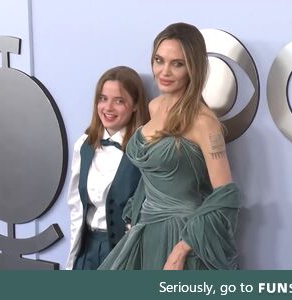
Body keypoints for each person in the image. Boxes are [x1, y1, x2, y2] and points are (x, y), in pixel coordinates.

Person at [99, 23, 240, 270]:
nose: (164, 71)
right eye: (159, 60)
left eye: (177, 63)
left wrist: (182, 248)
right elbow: (151, 172)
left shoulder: (204, 123)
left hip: (184, 238)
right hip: (147, 231)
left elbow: (225, 195)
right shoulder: (154, 106)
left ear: (193, 69)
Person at [66, 66, 149, 270]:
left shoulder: (146, 148)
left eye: (119, 101)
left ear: (136, 105)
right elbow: (77, 208)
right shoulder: (83, 145)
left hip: (124, 251)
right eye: (103, 98)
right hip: (87, 250)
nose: (108, 107)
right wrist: (71, 262)